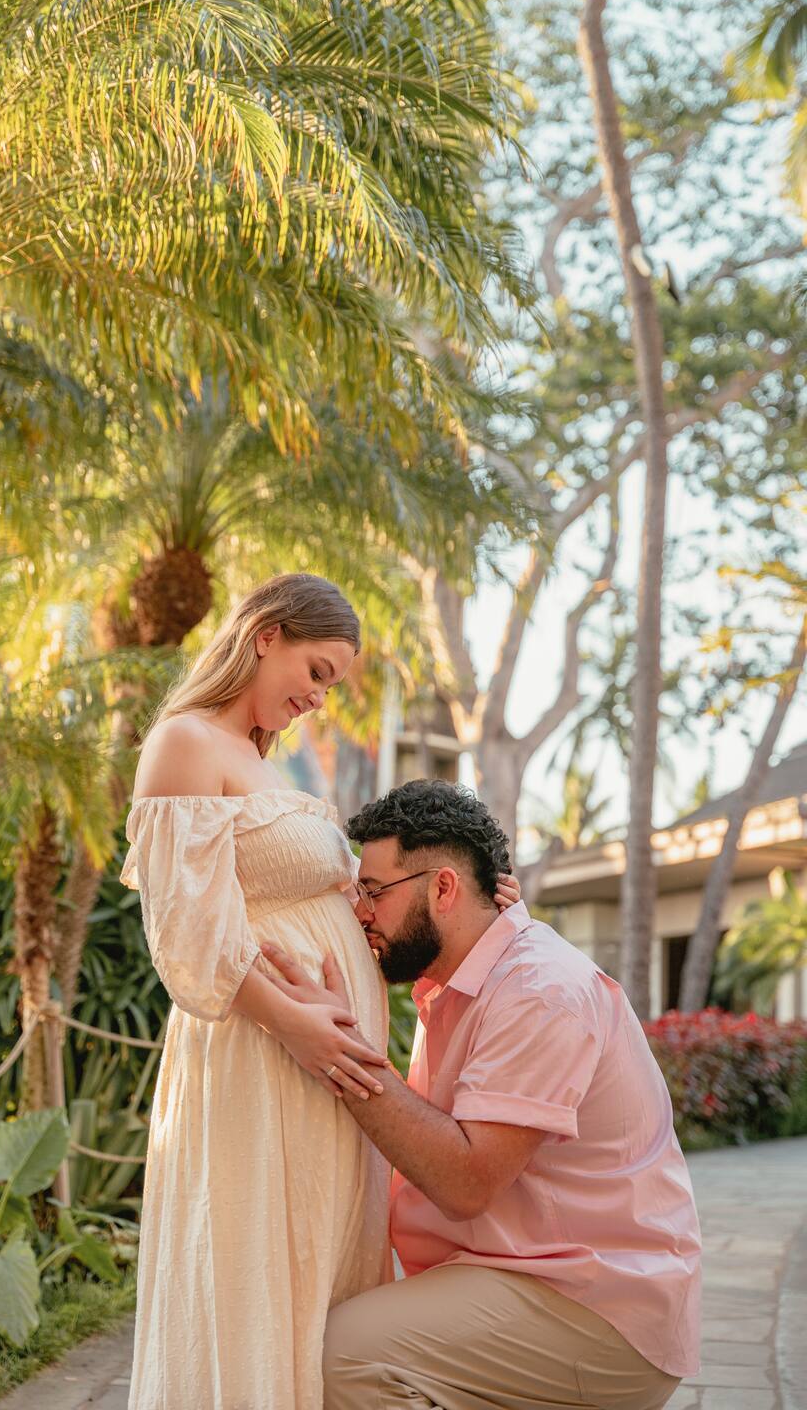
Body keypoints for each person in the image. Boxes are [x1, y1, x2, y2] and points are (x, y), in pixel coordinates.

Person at [120, 574, 520, 1410]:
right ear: (266, 633)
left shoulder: (262, 764)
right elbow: (188, 932)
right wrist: (297, 1028)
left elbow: (353, 908)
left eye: (330, 683)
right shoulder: (185, 742)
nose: (318, 697)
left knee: (319, 1269)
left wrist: (475, 900)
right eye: (317, 670)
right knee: (255, 1261)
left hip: (324, 1071)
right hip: (261, 1058)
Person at [263, 778, 702, 1410]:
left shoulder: (538, 991)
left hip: (599, 1309)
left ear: (443, 888)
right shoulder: (468, 976)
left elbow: (466, 1182)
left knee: (346, 1355)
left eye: (373, 892)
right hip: (532, 1280)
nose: (360, 913)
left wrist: (341, 1054)